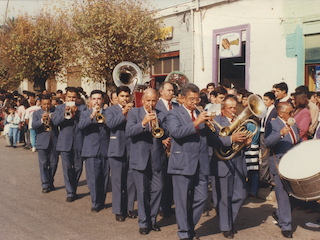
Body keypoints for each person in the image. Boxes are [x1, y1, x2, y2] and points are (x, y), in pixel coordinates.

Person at [167, 83, 211, 240]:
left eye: (197, 99)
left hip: (201, 162)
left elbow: (211, 138)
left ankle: (189, 226)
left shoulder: (200, 113)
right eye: (192, 99)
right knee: (181, 200)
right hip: (182, 163)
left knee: (203, 197)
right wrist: (197, 122)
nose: (195, 102)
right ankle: (184, 234)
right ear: (182, 98)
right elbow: (176, 132)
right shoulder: (174, 114)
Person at [126, 88, 167, 235]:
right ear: (143, 100)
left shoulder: (162, 114)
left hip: (157, 157)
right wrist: (143, 123)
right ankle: (144, 223)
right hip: (140, 158)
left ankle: (153, 219)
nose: (151, 103)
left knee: (158, 188)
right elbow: (129, 131)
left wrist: (158, 123)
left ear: (157, 100)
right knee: (142, 192)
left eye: (153, 100)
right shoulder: (134, 113)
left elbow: (167, 132)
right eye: (148, 100)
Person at [211, 95, 252, 239]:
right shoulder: (216, 122)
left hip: (238, 162)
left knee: (241, 195)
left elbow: (244, 146)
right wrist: (231, 139)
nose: (234, 110)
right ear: (223, 109)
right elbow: (213, 141)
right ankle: (226, 227)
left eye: (235, 107)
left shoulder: (242, 123)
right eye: (230, 108)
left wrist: (247, 143)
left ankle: (228, 220)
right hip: (222, 163)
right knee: (224, 197)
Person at [265, 102, 300, 238]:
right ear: (281, 113)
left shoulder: (294, 124)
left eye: (293, 111)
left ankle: (280, 214)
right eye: (290, 112)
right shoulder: (273, 124)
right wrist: (280, 133)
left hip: (293, 164)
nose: (293, 114)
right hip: (280, 164)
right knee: (283, 195)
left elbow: (298, 139)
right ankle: (286, 225)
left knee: (296, 194)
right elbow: (267, 142)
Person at [105, 86, 136, 221]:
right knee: (117, 182)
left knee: (130, 181)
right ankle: (118, 210)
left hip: (131, 149)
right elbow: (110, 124)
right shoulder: (110, 110)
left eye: (127, 96)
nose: (125, 99)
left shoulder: (134, 111)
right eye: (122, 96)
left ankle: (129, 208)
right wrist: (123, 112)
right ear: (117, 97)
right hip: (116, 149)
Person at [78, 90, 110, 212]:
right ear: (90, 100)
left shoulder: (108, 112)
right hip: (91, 150)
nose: (97, 101)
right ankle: (95, 202)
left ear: (102, 100)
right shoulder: (85, 113)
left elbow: (112, 126)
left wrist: (105, 119)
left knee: (105, 178)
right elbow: (81, 126)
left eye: (99, 99)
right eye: (94, 99)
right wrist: (92, 116)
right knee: (93, 178)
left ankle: (102, 201)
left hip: (105, 149)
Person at [52, 87, 86, 202]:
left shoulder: (83, 108)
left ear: (77, 98)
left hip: (79, 141)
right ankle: (70, 192)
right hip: (65, 142)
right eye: (69, 97)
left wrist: (77, 113)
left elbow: (84, 123)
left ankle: (73, 186)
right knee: (66, 168)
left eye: (73, 97)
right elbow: (56, 122)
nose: (71, 99)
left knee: (78, 167)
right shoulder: (60, 108)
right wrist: (64, 113)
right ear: (65, 97)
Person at [155, 82, 179, 218]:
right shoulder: (156, 106)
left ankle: (167, 206)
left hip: (174, 147)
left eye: (172, 90)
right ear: (161, 92)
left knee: (171, 179)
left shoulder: (176, 106)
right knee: (161, 178)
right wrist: (162, 139)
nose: (171, 92)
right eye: (169, 90)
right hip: (161, 147)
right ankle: (159, 206)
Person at [32, 95, 59, 193]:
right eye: (44, 104)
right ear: (41, 104)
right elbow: (33, 126)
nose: (46, 106)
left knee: (54, 164)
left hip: (54, 141)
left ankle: (50, 180)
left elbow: (58, 123)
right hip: (42, 142)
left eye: (48, 104)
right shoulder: (36, 113)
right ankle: (45, 185)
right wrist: (42, 120)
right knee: (43, 164)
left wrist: (51, 119)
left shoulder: (56, 111)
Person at [260, 92, 277, 185]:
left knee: (269, 157)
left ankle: (270, 178)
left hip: (269, 135)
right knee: (264, 157)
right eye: (264, 99)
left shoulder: (275, 110)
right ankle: (264, 177)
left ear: (272, 101)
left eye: (266, 100)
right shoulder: (264, 110)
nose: (264, 101)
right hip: (262, 133)